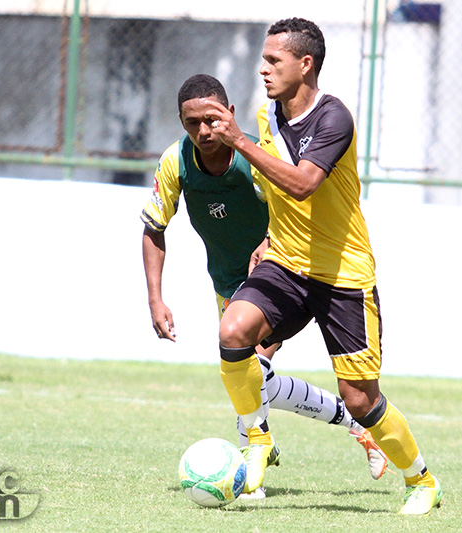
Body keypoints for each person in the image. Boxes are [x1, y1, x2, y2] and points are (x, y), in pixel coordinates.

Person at [205, 18, 443, 515]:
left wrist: (239, 141)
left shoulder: (335, 118)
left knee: (359, 400)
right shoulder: (267, 116)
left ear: (305, 64)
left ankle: (421, 480)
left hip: (344, 275)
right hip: (287, 263)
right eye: (264, 59)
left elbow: (303, 183)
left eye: (274, 60)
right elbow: (279, 193)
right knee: (234, 330)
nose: (264, 68)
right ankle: (257, 439)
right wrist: (271, 236)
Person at [140, 74, 388, 500]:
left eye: (212, 120)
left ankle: (248, 467)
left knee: (252, 366)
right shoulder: (176, 161)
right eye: (191, 123)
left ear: (230, 115)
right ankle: (354, 425)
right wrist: (155, 299)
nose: (203, 131)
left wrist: (271, 239)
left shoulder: (256, 156)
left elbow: (298, 205)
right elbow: (153, 227)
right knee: (255, 375)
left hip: (279, 276)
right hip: (227, 283)